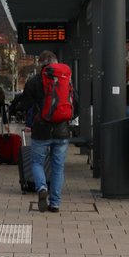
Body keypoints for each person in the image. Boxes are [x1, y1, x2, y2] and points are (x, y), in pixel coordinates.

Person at [20, 50, 78, 213]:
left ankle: (41, 188)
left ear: (41, 64)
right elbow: (77, 104)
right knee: (58, 167)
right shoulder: (67, 80)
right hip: (62, 131)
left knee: (37, 162)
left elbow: (25, 104)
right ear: (56, 62)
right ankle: (55, 204)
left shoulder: (34, 81)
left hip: (41, 130)